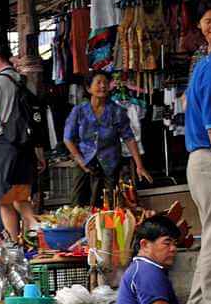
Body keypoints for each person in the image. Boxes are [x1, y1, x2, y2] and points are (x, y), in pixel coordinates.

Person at [0, 39, 45, 242]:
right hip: (25, 148)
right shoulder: (23, 80)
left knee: (3, 200)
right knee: (20, 200)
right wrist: (38, 153)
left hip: (4, 148)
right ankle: (40, 235)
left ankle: (15, 245)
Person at [64, 70, 152, 207]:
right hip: (85, 161)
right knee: (78, 203)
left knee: (108, 204)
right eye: (98, 83)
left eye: (105, 83)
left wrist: (139, 165)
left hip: (110, 164)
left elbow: (129, 138)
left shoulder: (117, 111)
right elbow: (68, 138)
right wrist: (80, 160)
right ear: (88, 88)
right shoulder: (79, 110)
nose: (103, 86)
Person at [185, 4, 211, 304]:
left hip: (202, 158)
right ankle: (210, 302)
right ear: (199, 25)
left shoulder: (205, 64)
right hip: (210, 157)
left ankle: (197, 302)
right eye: (208, 20)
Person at [113, 215, 181, 304]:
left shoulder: (140, 267)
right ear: (145, 244)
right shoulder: (148, 271)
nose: (173, 248)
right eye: (167, 243)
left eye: (175, 243)